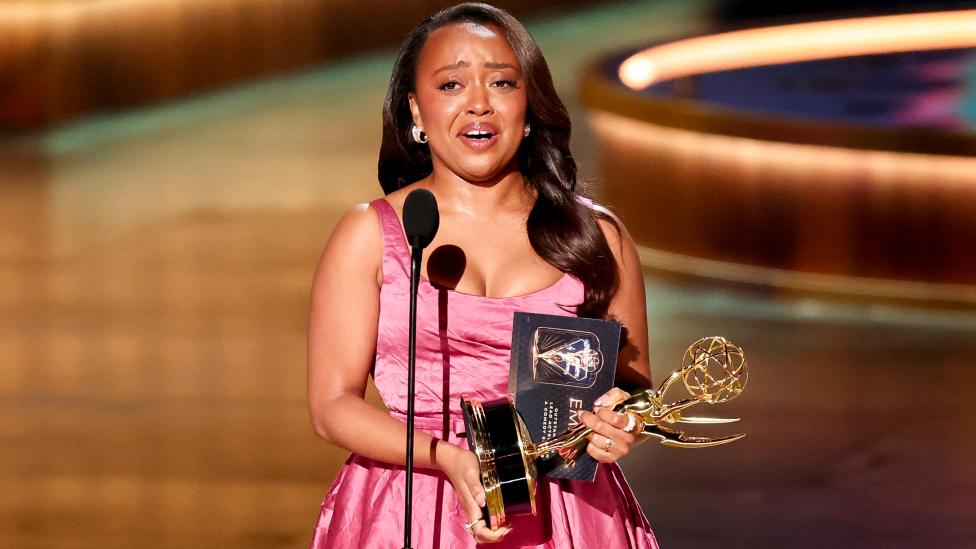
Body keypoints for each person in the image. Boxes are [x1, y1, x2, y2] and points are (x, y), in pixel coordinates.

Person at [307, 3, 658, 547]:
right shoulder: (371, 235)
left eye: (501, 82)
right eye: (450, 85)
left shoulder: (598, 236)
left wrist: (625, 422)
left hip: (566, 512)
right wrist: (447, 457)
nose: (477, 104)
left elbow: (633, 386)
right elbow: (332, 407)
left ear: (530, 103)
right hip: (409, 503)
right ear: (416, 112)